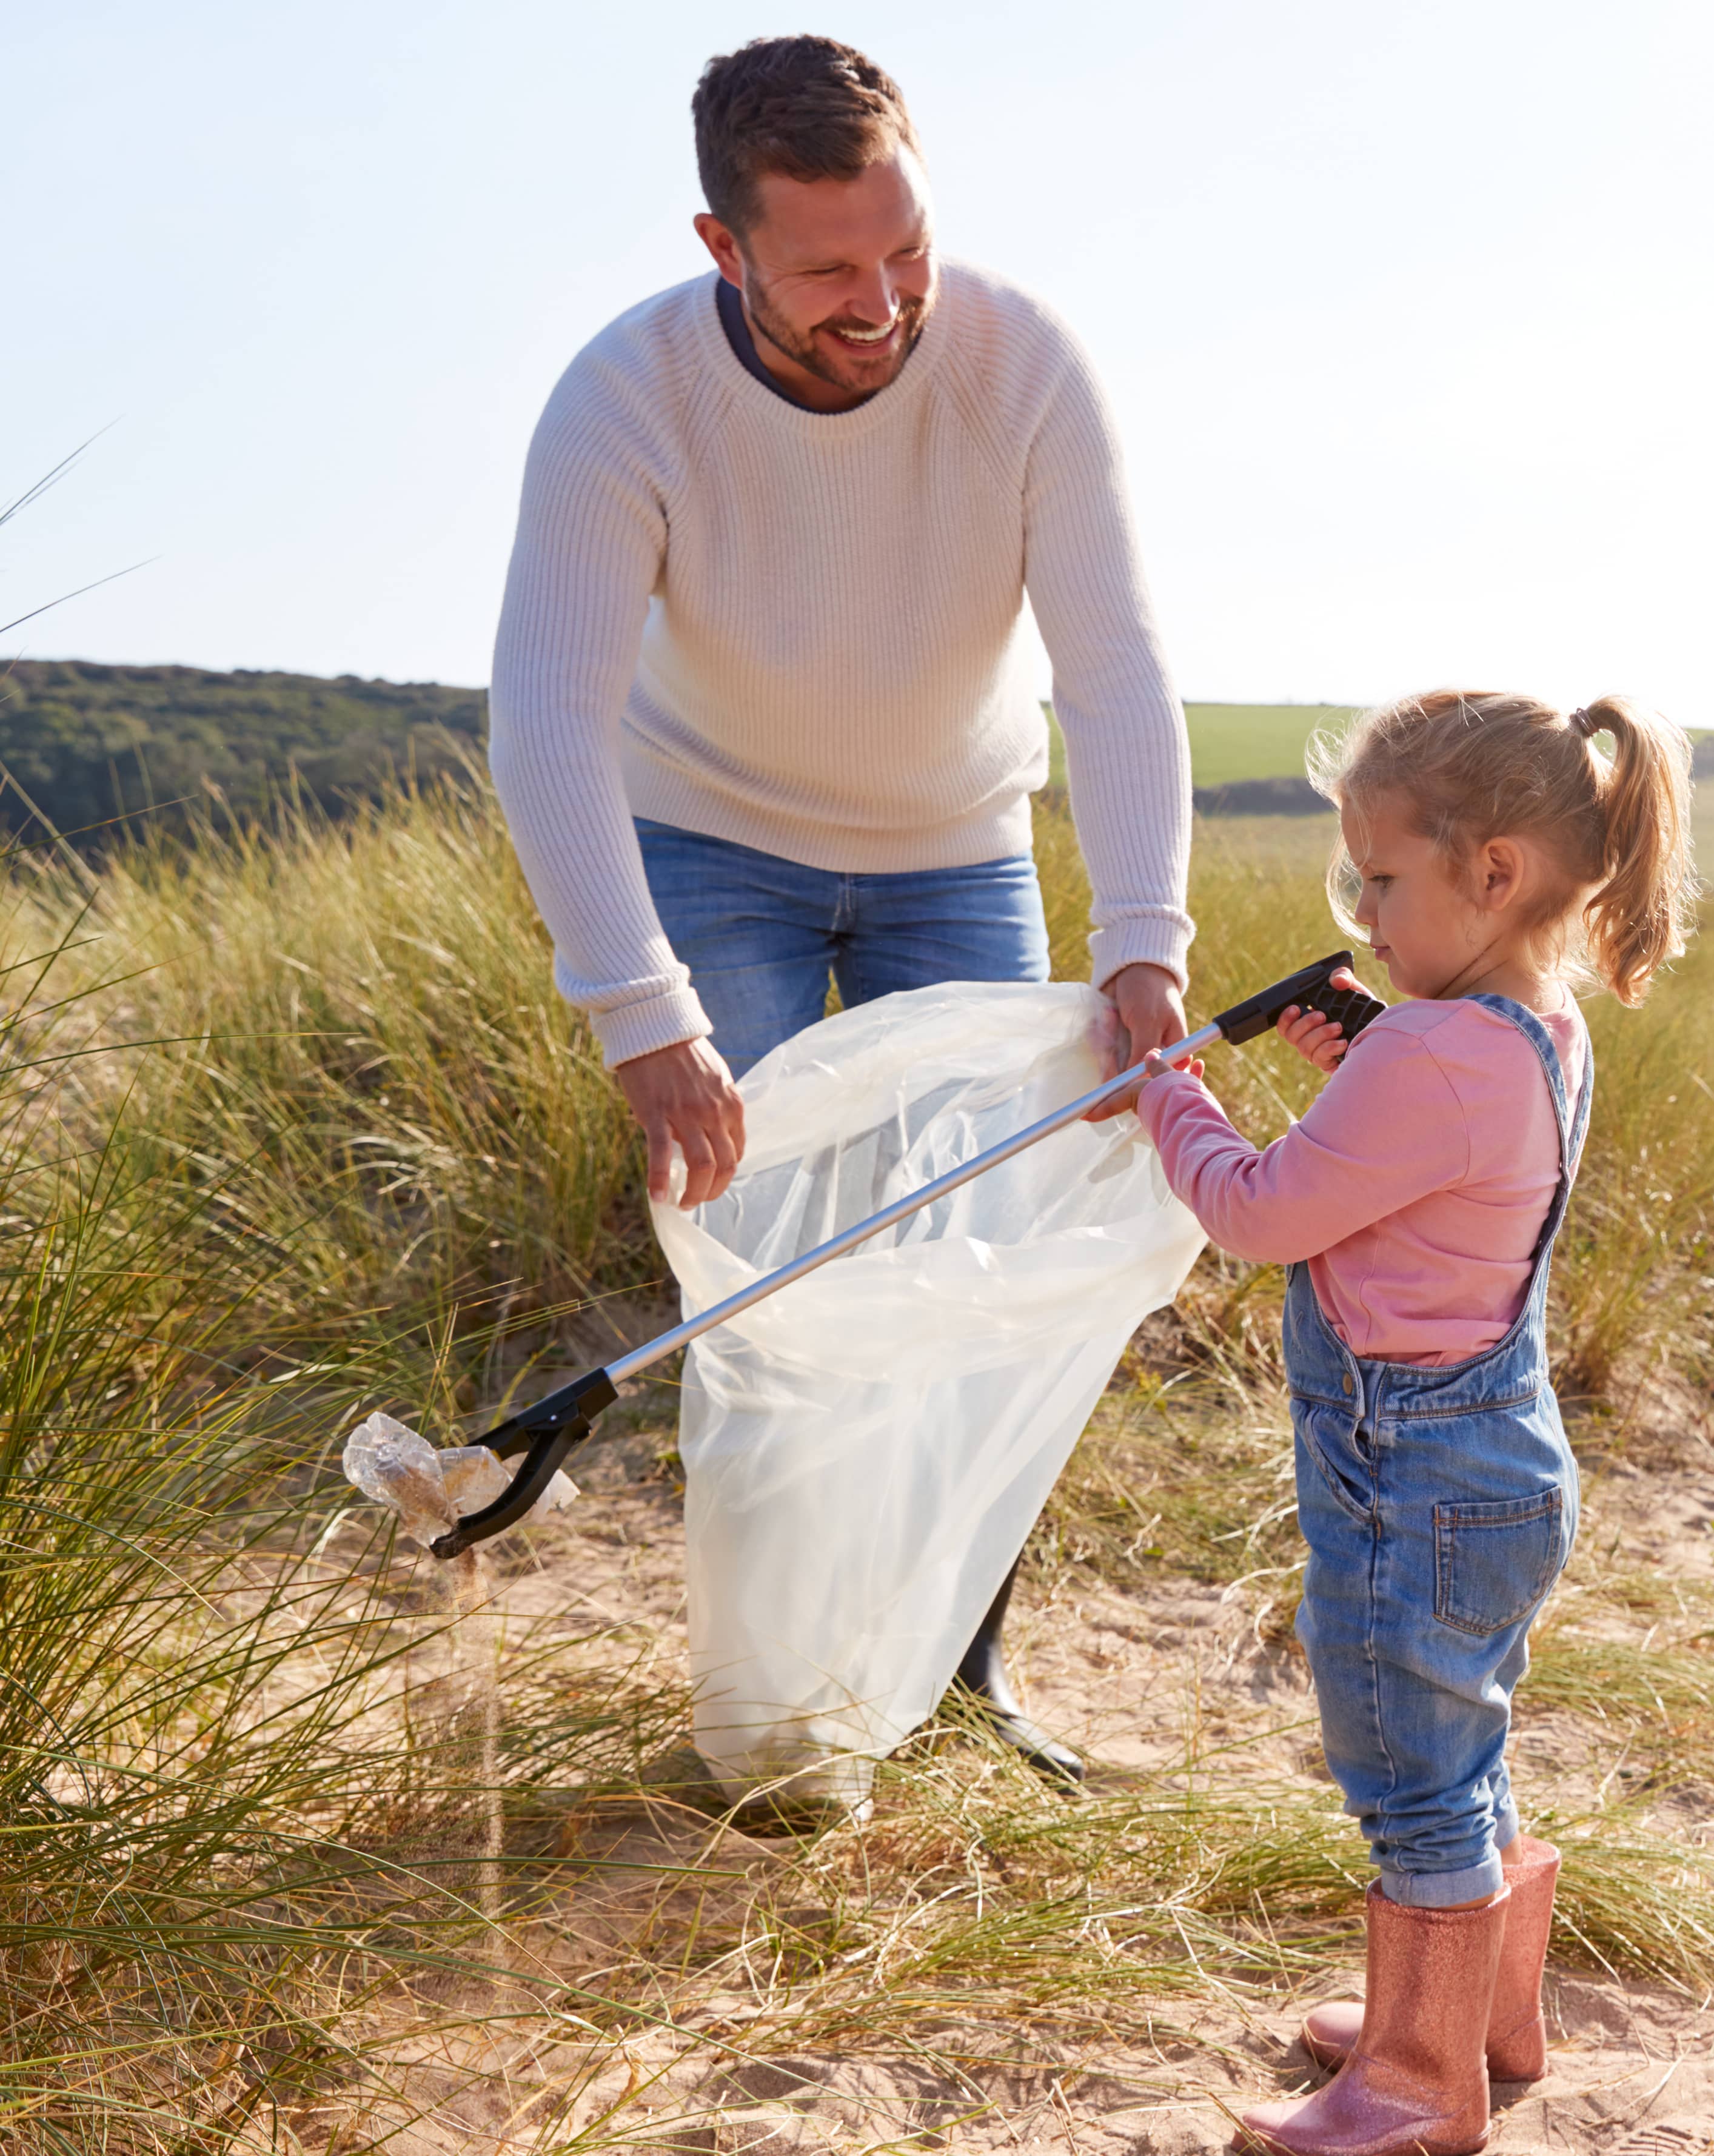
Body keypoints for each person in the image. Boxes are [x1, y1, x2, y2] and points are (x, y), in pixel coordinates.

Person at [486, 36, 1193, 1783]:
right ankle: (780, 1713)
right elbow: (548, 710)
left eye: (908, 249)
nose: (884, 302)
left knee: (977, 1261)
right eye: (827, 270)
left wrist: (1143, 937)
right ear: (724, 249)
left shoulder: (1024, 367)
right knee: (769, 1272)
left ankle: (960, 1677)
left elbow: (1110, 671)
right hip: (707, 842)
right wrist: (641, 1014)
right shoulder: (624, 395)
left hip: (957, 847)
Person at [1131, 689, 1696, 2156]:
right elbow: (1435, 1157)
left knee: (1405, 1774)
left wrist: (1167, 1098)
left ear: (1490, 872)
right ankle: (1478, 2016)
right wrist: (1358, 1053)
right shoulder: (1528, 1029)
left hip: (1408, 1475)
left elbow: (1259, 1213)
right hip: (1497, 1461)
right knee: (1466, 1745)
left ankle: (1413, 2086)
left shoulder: (1425, 1055)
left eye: (1379, 880)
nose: (1362, 913)